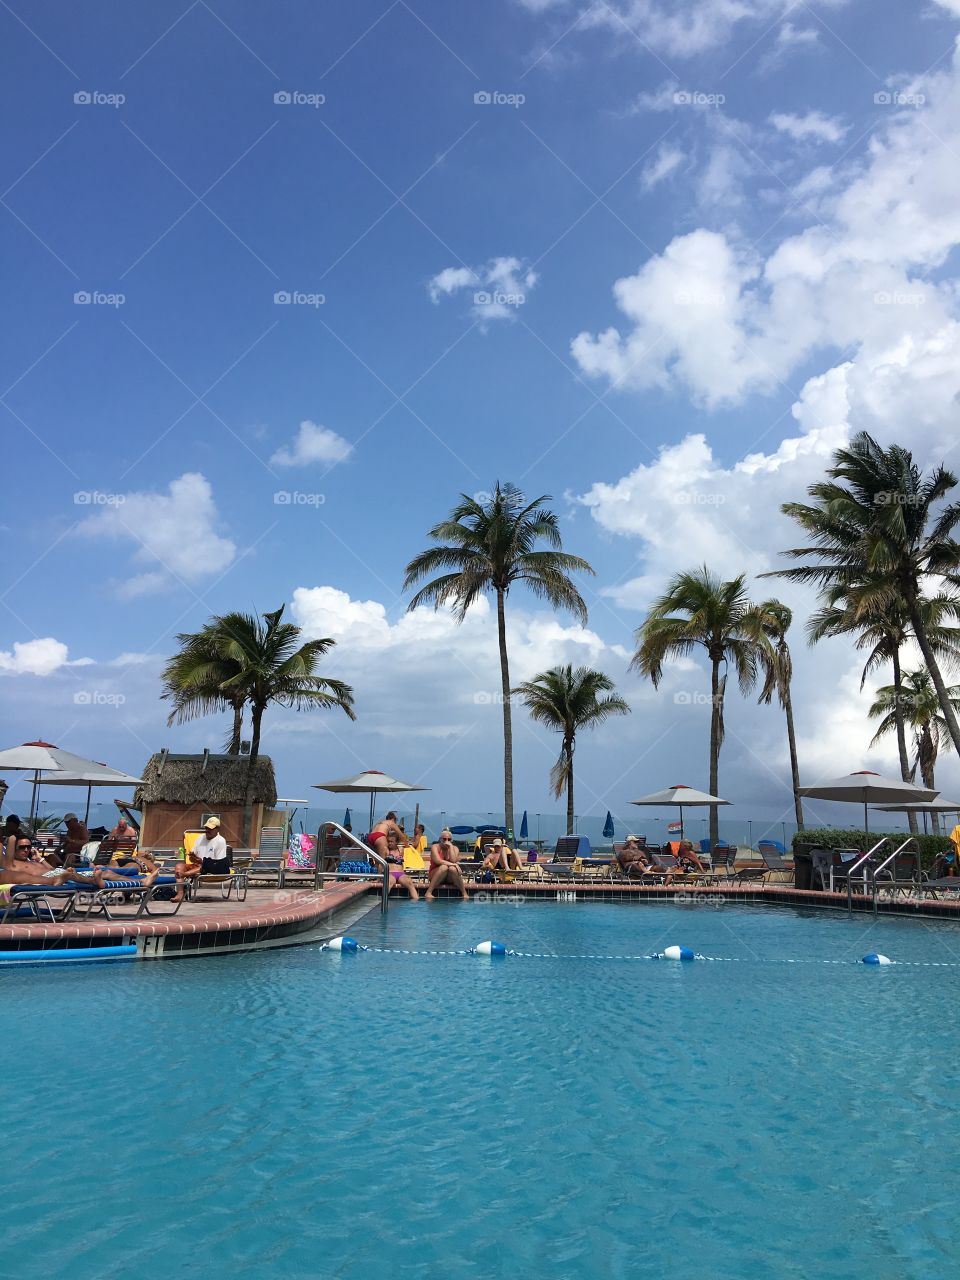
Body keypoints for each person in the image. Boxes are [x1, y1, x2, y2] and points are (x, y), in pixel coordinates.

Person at [426, 829, 469, 901]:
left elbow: (453, 860)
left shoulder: (455, 848)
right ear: (440, 839)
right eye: (444, 839)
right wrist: (454, 865)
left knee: (452, 869)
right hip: (435, 874)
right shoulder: (435, 847)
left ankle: (464, 893)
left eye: (449, 839)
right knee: (444, 867)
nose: (446, 841)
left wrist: (451, 847)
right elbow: (437, 861)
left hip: (449, 877)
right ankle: (429, 892)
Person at [384, 829, 420, 901]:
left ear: (396, 842)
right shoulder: (386, 850)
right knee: (389, 883)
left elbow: (406, 844)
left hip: (400, 874)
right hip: (390, 873)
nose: (389, 843)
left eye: (391, 841)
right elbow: (381, 863)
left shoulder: (401, 850)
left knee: (410, 883)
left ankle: (416, 904)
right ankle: (383, 902)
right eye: (388, 841)